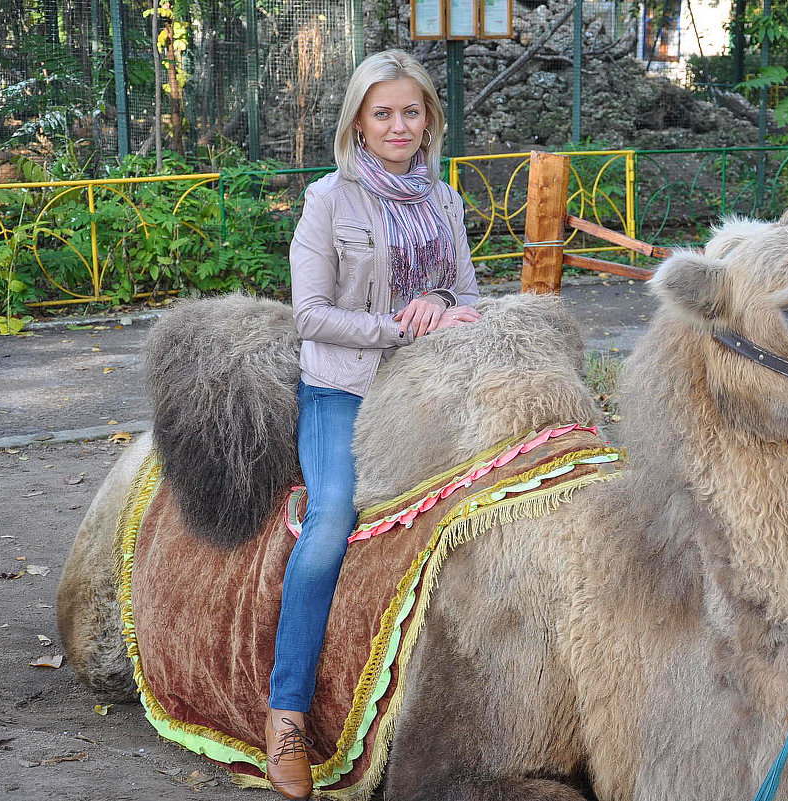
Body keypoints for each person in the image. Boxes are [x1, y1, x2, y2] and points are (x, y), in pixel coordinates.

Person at [265, 49, 481, 800]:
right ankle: (286, 715)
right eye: (382, 112)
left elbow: (467, 295)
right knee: (330, 520)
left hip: (428, 387)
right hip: (345, 391)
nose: (397, 125)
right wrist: (397, 324)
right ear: (358, 119)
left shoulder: (445, 201)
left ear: (429, 122)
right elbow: (309, 316)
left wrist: (444, 305)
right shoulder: (329, 199)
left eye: (410, 112)